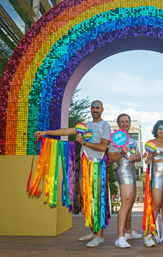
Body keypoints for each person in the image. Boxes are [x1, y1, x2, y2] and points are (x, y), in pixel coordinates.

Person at [34, 100, 111, 247]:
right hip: (83, 166)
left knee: (96, 200)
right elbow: (66, 131)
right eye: (93, 107)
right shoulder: (85, 126)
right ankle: (93, 232)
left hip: (96, 165)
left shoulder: (104, 126)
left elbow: (103, 147)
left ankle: (100, 236)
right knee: (85, 199)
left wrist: (84, 142)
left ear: (102, 109)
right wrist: (45, 132)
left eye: (98, 108)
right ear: (91, 109)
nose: (95, 110)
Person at [108, 113, 143, 248]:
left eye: (126, 121)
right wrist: (122, 153)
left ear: (129, 123)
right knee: (126, 204)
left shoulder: (132, 141)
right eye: (121, 122)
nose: (124, 124)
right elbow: (111, 159)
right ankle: (120, 237)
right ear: (118, 124)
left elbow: (138, 156)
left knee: (130, 203)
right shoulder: (114, 139)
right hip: (123, 171)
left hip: (132, 171)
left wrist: (136, 156)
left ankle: (128, 232)